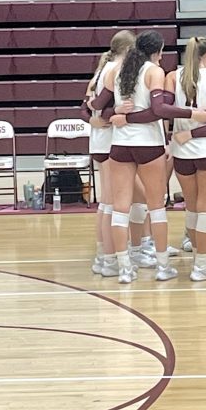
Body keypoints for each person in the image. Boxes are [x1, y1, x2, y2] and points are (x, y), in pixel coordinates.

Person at [93, 30, 206, 283]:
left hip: (120, 144)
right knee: (156, 205)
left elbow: (95, 106)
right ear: (157, 52)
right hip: (148, 143)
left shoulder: (116, 70)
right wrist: (192, 113)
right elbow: (158, 110)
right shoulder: (154, 71)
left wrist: (118, 112)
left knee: (120, 207)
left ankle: (124, 268)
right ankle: (162, 266)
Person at [167, 36, 206, 282]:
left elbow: (161, 109)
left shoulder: (172, 77)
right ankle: (201, 265)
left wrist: (184, 127)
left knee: (192, 208)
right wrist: (194, 128)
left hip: (182, 152)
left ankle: (197, 259)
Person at [82, 30, 136, 278]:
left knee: (106, 202)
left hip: (100, 142)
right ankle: (110, 259)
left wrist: (97, 114)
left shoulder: (101, 69)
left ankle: (104, 256)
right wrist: (111, 112)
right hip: (108, 141)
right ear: (128, 50)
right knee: (111, 203)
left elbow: (89, 105)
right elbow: (96, 104)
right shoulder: (114, 69)